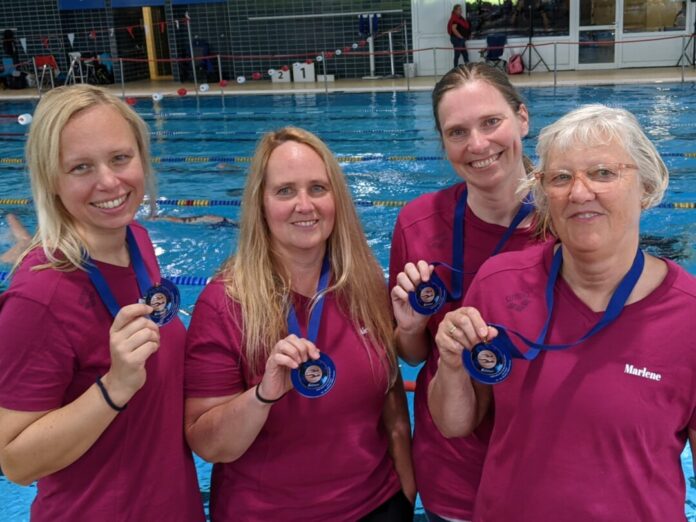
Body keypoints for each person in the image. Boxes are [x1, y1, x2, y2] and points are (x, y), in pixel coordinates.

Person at [428, 104, 696, 520]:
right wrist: (451, 366)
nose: (579, 192)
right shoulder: (499, 283)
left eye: (603, 173)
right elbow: (454, 423)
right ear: (543, 194)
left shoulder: (689, 316)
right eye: (561, 177)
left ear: (645, 185)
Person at [184, 126, 415, 521]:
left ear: (336, 199)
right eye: (285, 191)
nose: (304, 205)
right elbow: (209, 446)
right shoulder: (225, 303)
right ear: (261, 204)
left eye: (318, 189)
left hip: (377, 505)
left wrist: (406, 491)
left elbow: (392, 397)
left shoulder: (364, 285)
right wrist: (263, 395)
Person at [0, 84, 204, 522]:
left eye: (119, 158)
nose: (109, 182)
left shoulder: (137, 242)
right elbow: (14, 461)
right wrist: (115, 386)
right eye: (80, 167)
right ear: (52, 181)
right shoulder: (38, 298)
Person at [389, 62, 539, 522]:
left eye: (491, 122)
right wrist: (411, 328)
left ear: (522, 118)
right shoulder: (417, 224)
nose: (477, 144)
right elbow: (411, 354)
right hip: (453, 473)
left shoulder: (570, 224)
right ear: (443, 142)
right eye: (457, 132)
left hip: (543, 471)